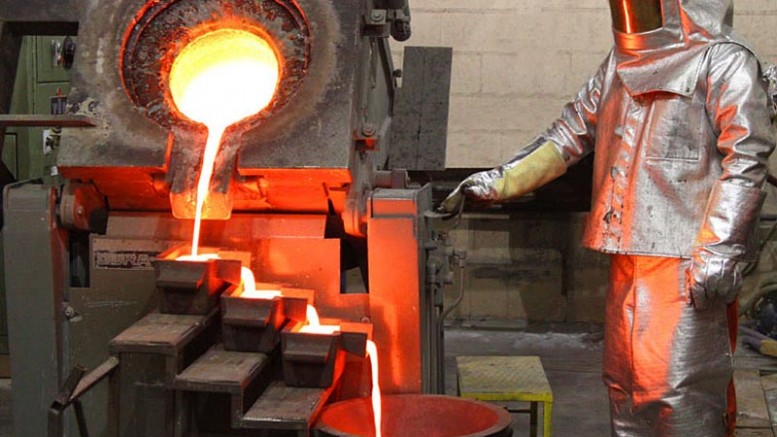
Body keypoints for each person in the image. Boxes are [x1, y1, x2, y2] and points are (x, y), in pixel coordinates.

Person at [440, 1, 776, 436]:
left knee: (679, 392)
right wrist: (498, 182)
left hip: (685, 262)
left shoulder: (723, 59)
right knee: (626, 386)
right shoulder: (622, 61)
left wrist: (721, 247)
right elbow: (569, 134)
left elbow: (747, 157)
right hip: (628, 257)